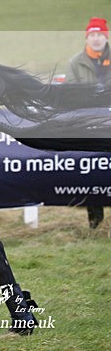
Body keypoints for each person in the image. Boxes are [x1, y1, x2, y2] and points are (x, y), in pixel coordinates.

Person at [68, 16, 111, 228]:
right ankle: (95, 221)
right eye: (92, 35)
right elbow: (70, 93)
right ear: (87, 38)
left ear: (106, 36)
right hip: (89, 124)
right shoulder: (76, 62)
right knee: (92, 168)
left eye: (100, 35)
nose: (96, 39)